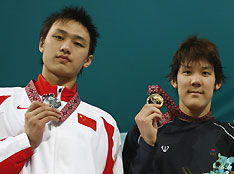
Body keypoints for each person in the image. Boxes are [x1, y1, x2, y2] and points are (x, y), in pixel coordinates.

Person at [0, 6, 123, 174]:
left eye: (78, 43)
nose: (66, 47)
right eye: (59, 37)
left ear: (88, 60)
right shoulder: (3, 101)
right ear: (42, 44)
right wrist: (25, 142)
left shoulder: (105, 125)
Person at [122, 36, 234, 173]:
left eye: (205, 73)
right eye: (187, 72)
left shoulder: (230, 136)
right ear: (174, 80)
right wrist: (148, 145)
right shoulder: (143, 131)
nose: (195, 81)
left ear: (217, 83)